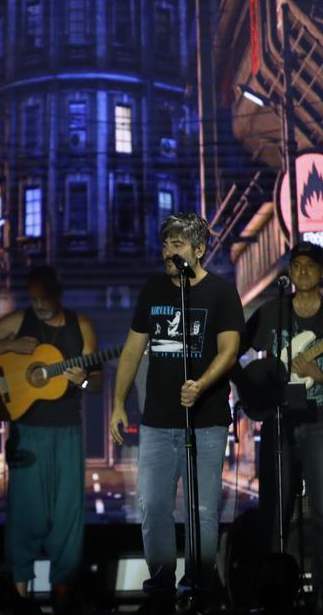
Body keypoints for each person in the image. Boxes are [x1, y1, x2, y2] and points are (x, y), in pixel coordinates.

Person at [110, 213, 244, 614]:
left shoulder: (221, 292)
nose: (169, 251)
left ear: (199, 250)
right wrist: (118, 403)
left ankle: (198, 585)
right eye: (166, 243)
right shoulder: (153, 290)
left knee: (202, 510)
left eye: (178, 244)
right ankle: (161, 586)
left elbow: (229, 350)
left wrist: (201, 385)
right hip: (156, 421)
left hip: (206, 422)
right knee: (152, 505)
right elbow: (133, 350)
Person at [242, 242, 323, 615]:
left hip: (321, 426)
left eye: (311, 265)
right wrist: (252, 389)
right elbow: (235, 349)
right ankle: (273, 597)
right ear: (290, 273)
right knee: (275, 515)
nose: (303, 271)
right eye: (297, 265)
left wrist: (319, 375)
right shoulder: (271, 312)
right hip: (279, 424)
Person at [0, 266, 101, 614]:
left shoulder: (82, 327)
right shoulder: (18, 321)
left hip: (67, 432)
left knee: (67, 518)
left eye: (44, 299)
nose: (40, 306)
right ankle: (19, 602)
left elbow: (96, 383)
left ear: (58, 293)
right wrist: (11, 344)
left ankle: (62, 600)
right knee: (24, 517)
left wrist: (81, 380)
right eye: (33, 299)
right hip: (27, 431)